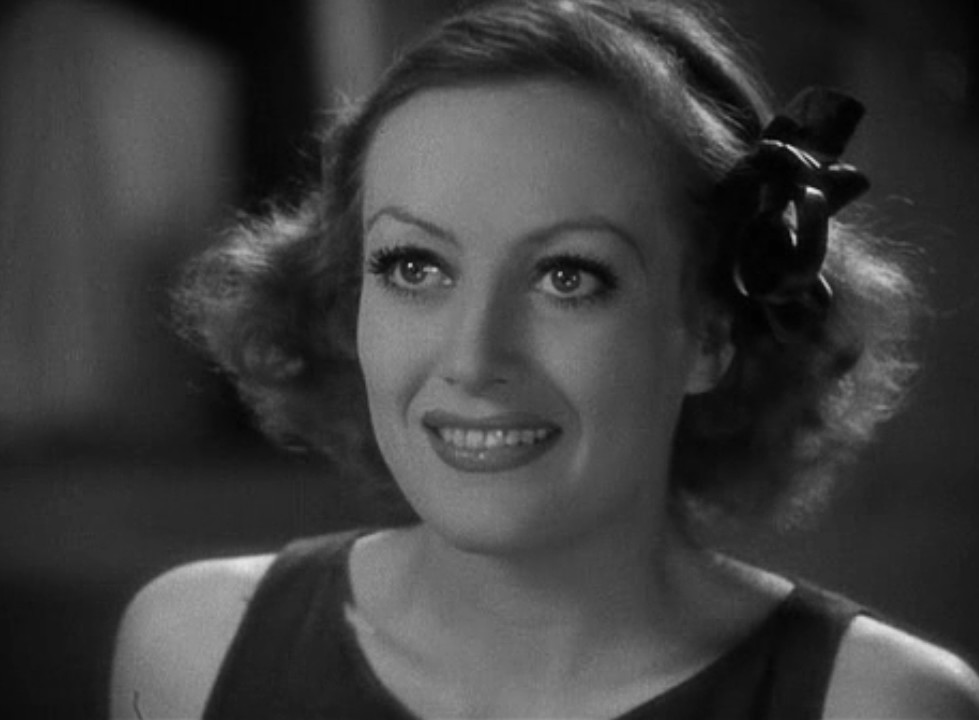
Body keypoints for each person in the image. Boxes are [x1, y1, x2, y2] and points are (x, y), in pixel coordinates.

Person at [111, 0, 979, 718]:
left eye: (568, 276)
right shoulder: (192, 646)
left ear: (711, 333)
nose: (473, 356)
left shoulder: (878, 705)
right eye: (414, 267)